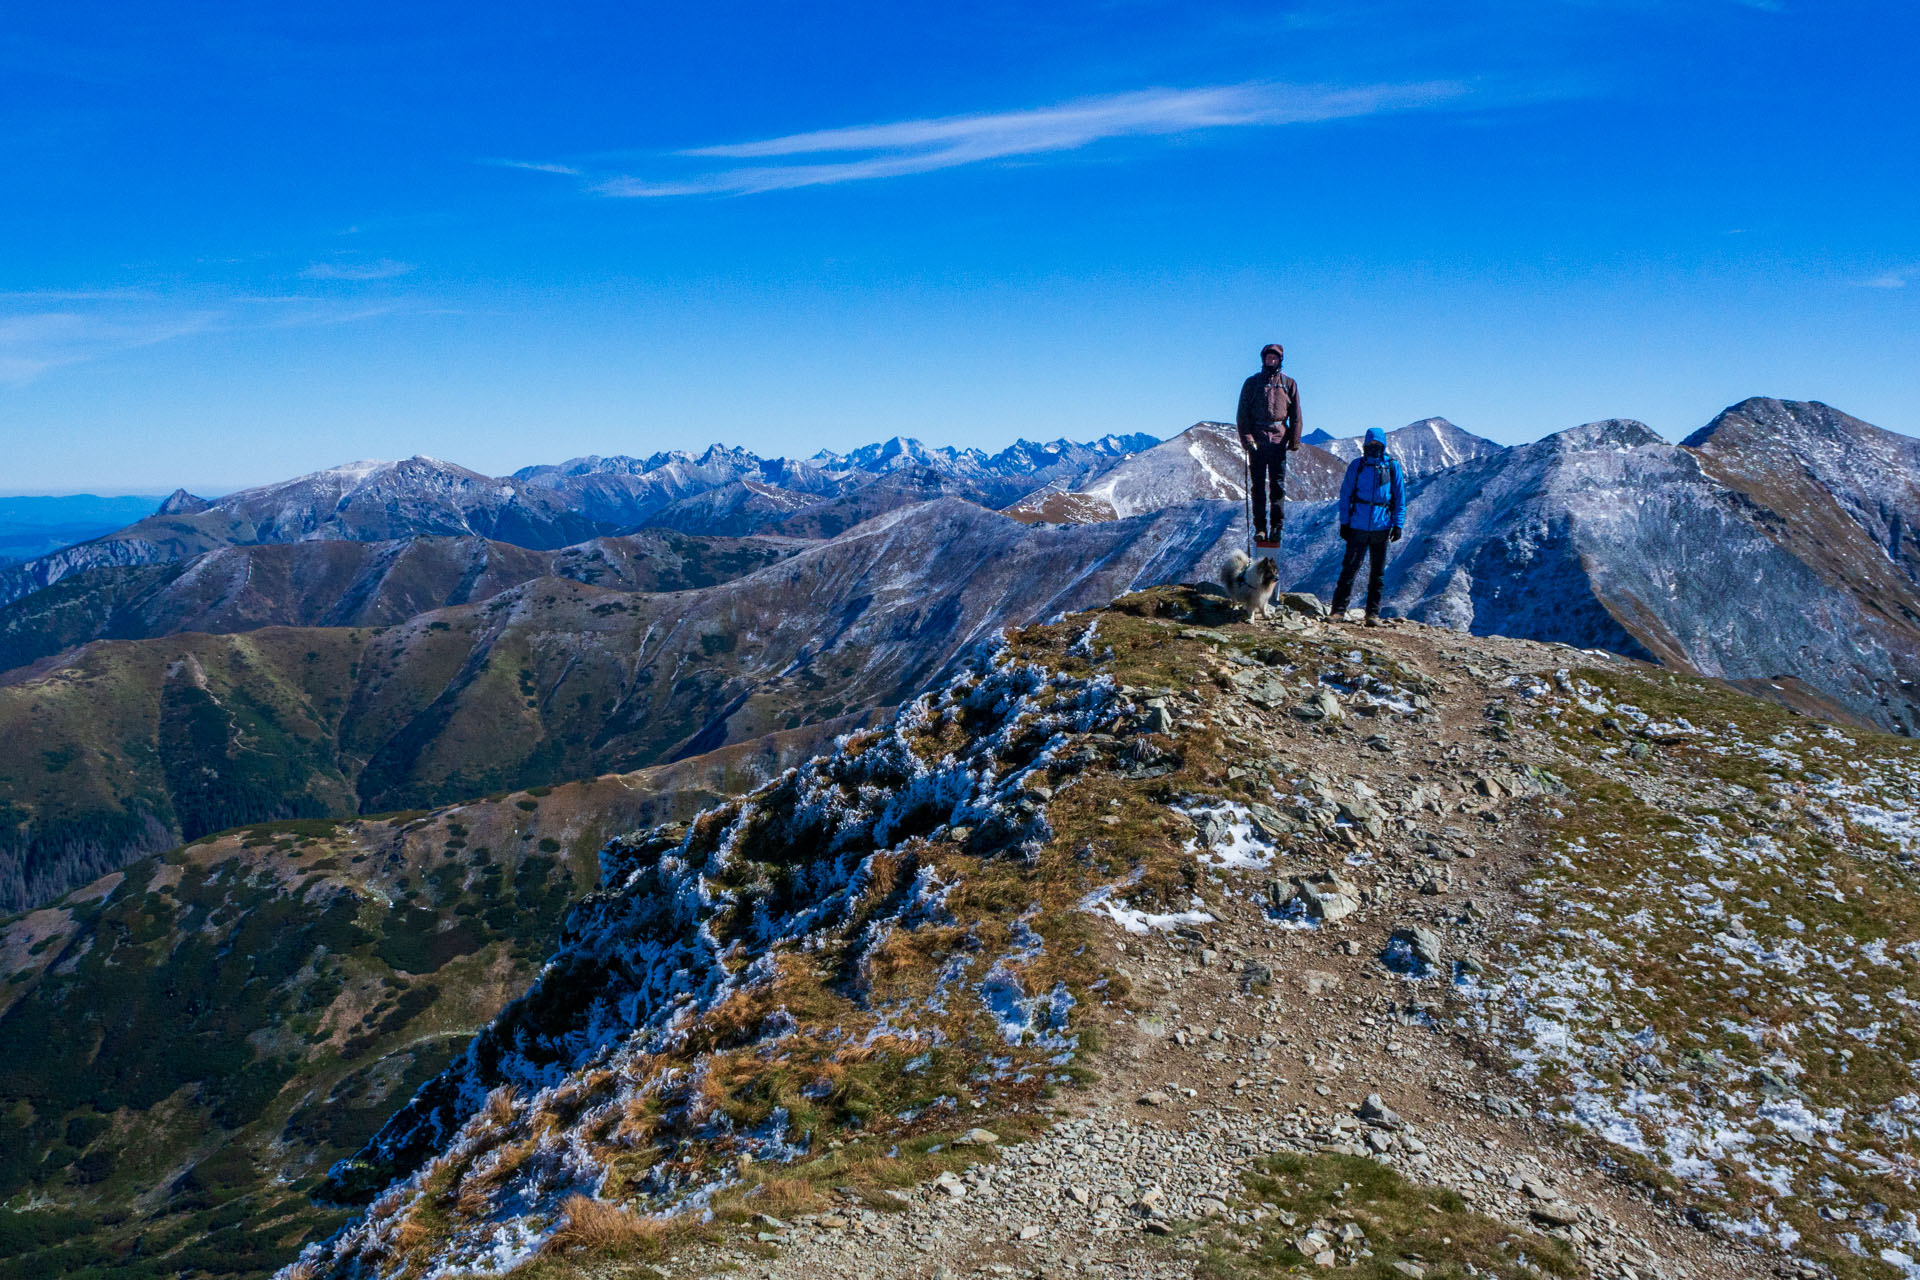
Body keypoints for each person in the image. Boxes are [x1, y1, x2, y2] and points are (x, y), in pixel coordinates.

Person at [1329, 427, 1407, 626]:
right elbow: (1345, 494)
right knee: (1349, 569)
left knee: (1377, 573)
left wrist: (1397, 524)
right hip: (1358, 525)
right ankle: (1338, 611)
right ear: (1365, 445)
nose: (1373, 448)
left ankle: (1372, 614)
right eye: (1370, 444)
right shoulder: (1357, 466)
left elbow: (1399, 497)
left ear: (1383, 445)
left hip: (1381, 526)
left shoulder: (1392, 466)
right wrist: (1344, 522)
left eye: (1377, 445)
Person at [1235, 343, 1302, 549]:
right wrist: (1247, 439)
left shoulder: (1288, 384)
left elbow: (1296, 415)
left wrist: (1294, 440)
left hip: (1279, 441)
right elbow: (1242, 414)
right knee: (1257, 488)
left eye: (1275, 358)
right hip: (1257, 441)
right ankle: (1260, 528)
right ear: (1263, 359)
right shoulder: (1252, 383)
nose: (1271, 361)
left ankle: (1276, 527)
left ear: (1280, 360)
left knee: (1277, 487)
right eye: (1268, 358)